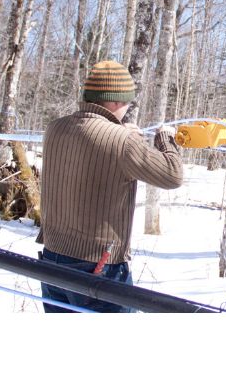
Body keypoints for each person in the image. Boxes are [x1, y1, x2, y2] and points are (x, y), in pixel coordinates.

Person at [35, 60, 183, 313]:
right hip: (98, 265)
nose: (127, 108)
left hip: (52, 256)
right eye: (128, 102)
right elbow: (172, 175)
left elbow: (92, 142)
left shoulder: (55, 128)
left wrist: (123, 133)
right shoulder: (123, 141)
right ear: (115, 102)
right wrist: (166, 139)